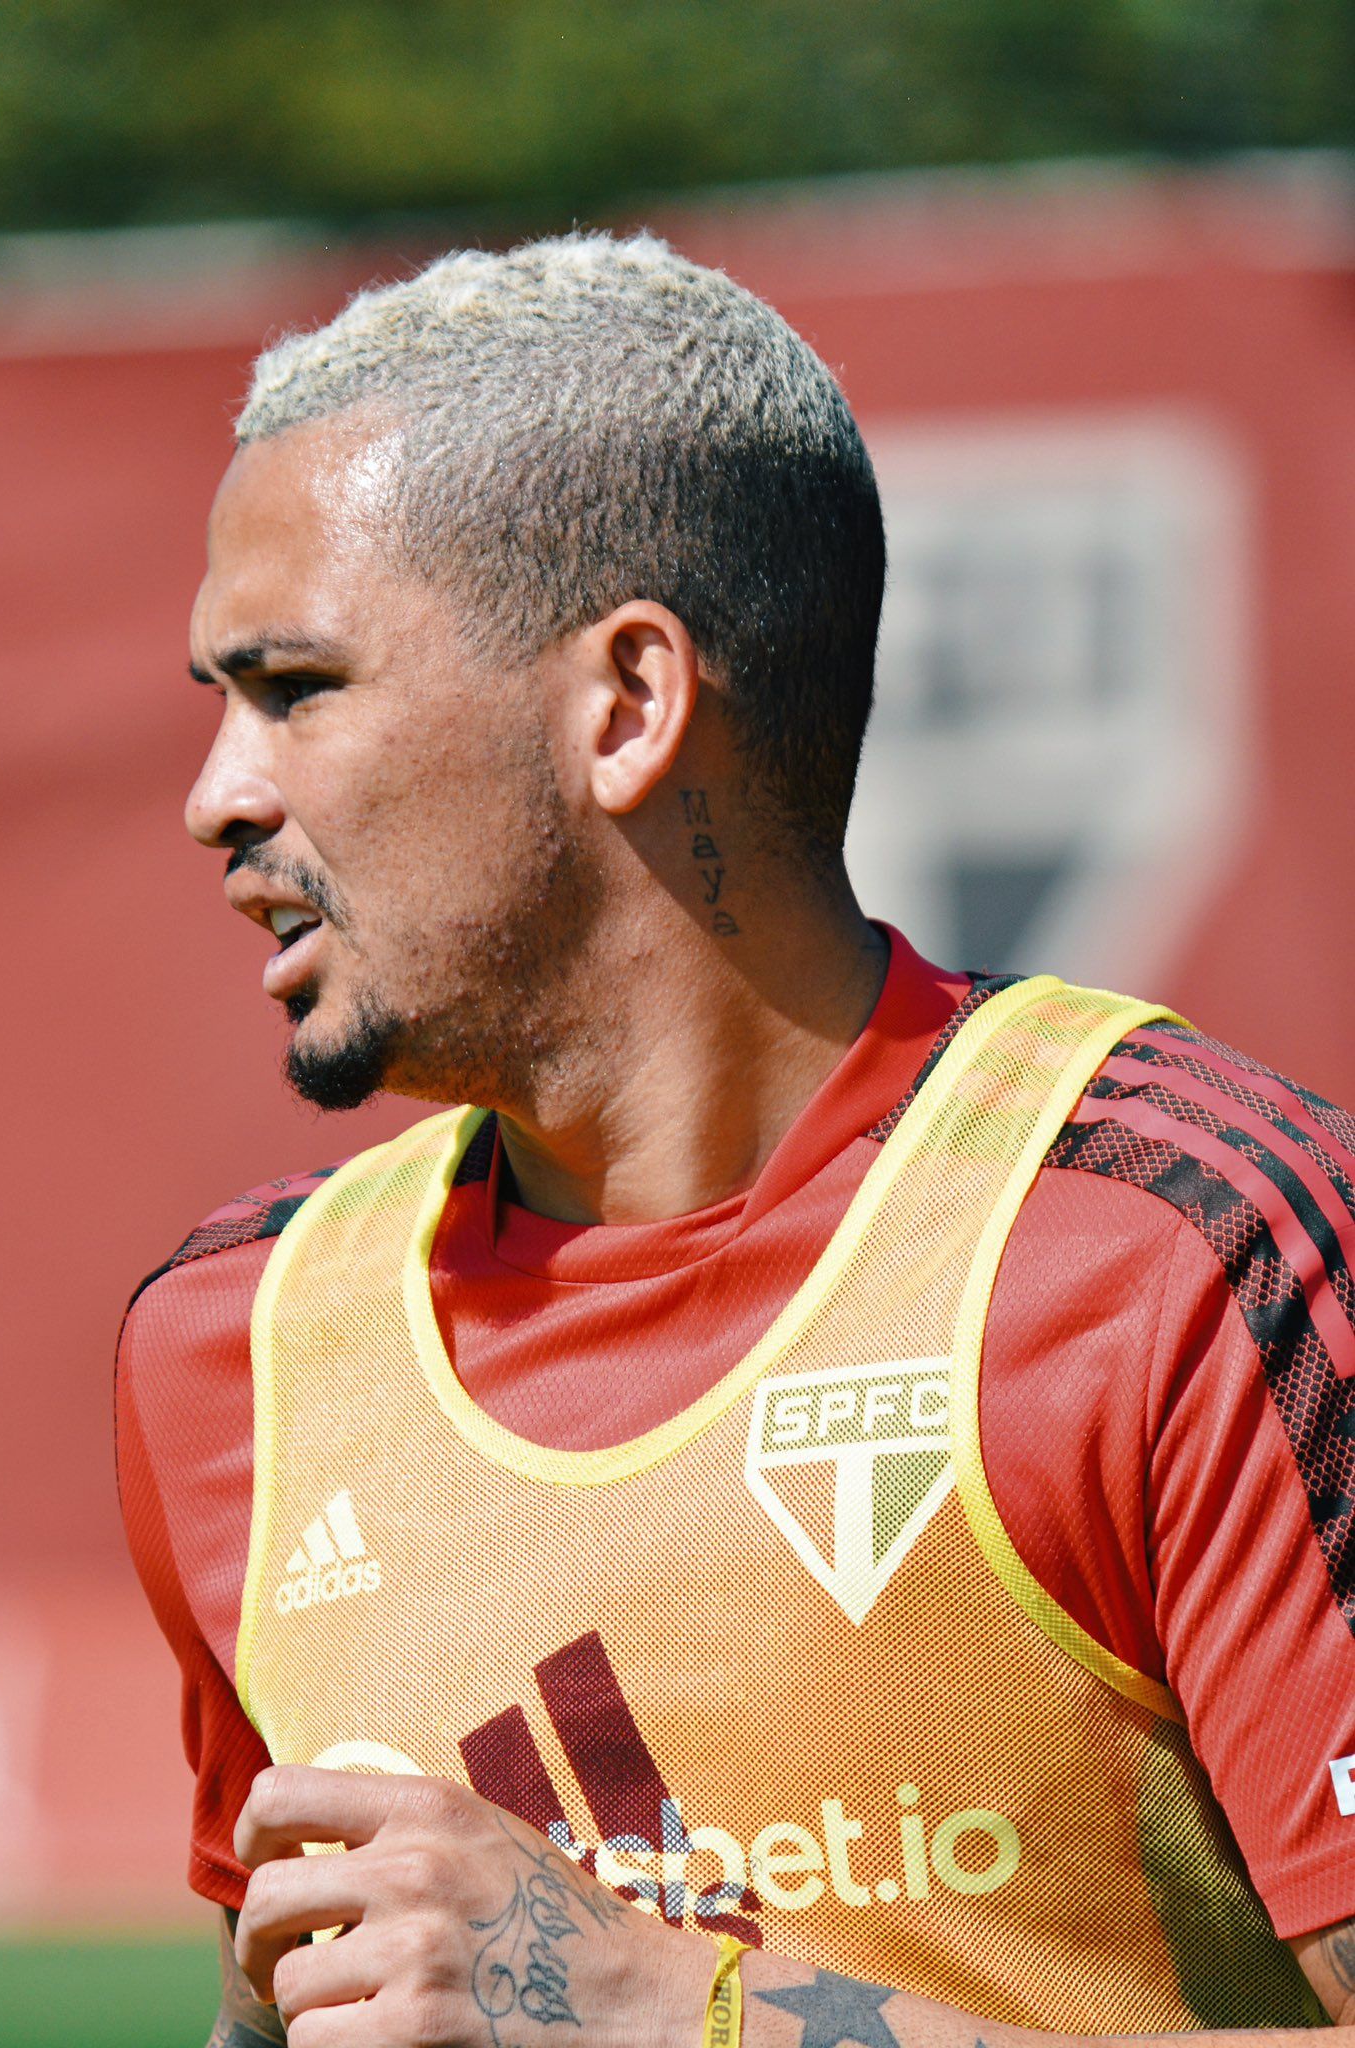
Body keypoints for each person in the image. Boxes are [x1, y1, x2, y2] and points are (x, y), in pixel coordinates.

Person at [115, 234, 1355, 2048]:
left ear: (627, 704)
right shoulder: (227, 1353)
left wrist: (665, 2010)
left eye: (295, 687)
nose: (223, 794)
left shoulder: (1180, 1250)